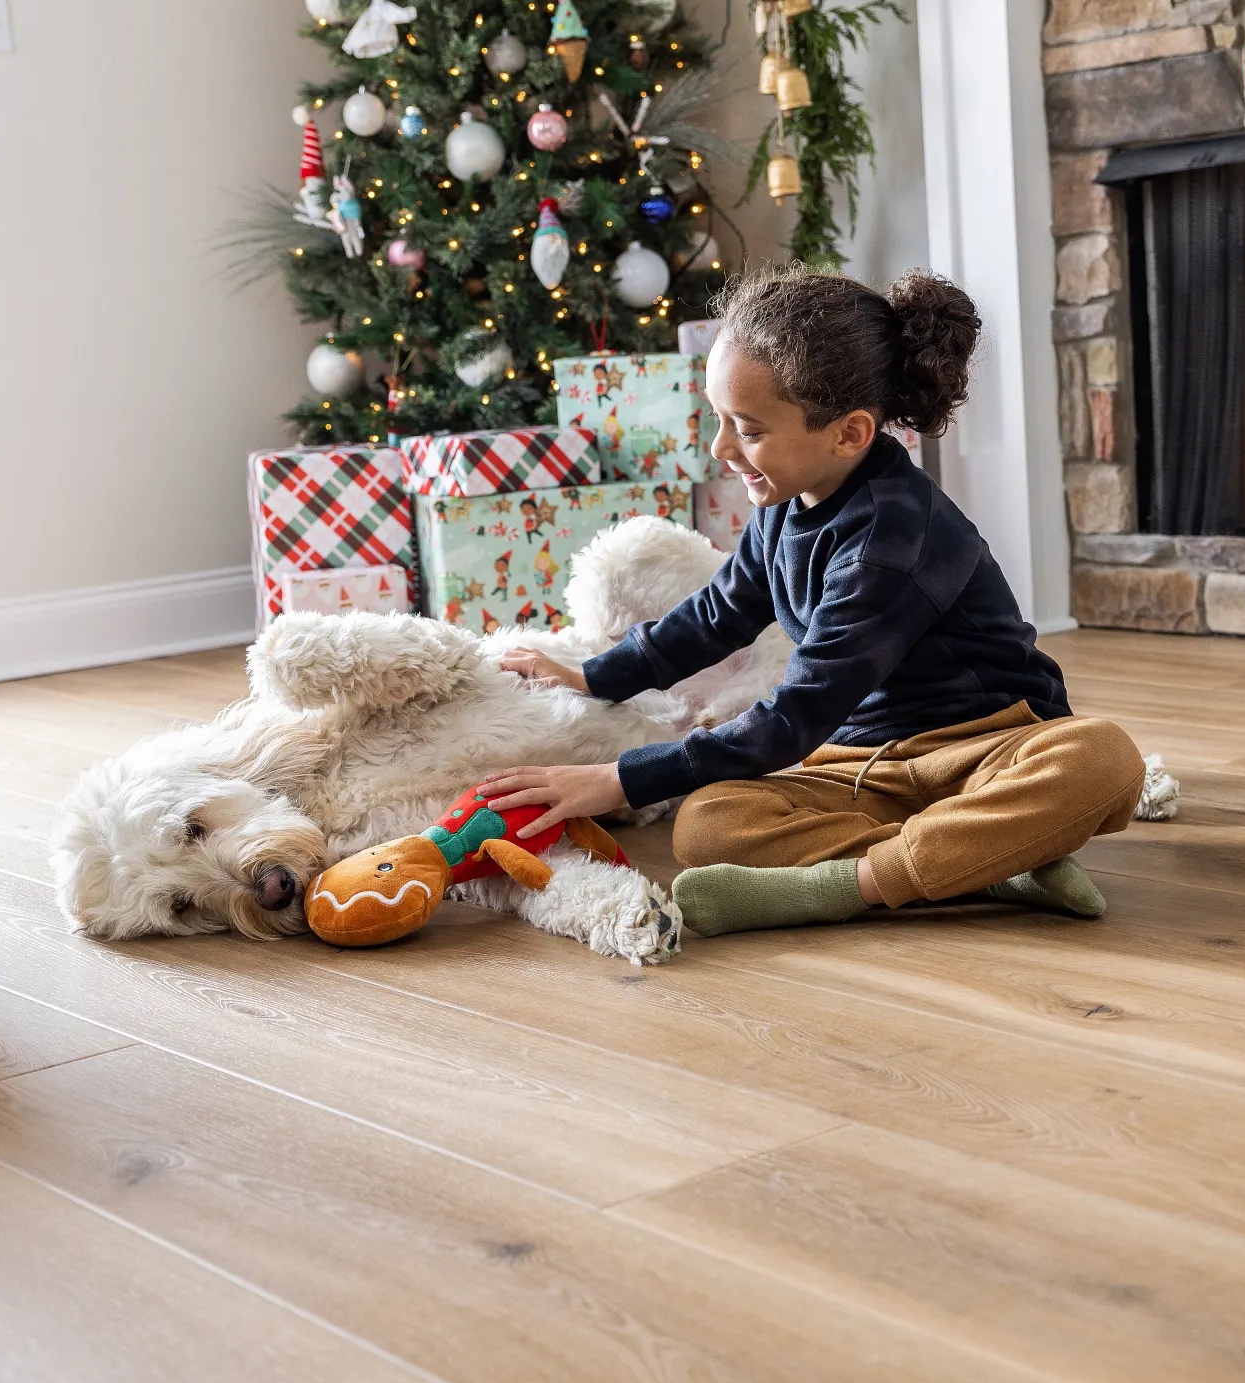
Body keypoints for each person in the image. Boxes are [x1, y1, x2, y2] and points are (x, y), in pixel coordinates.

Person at [479, 264, 1145, 937]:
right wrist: (594, 675)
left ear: (850, 433)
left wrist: (617, 779)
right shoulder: (783, 503)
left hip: (987, 750)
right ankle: (984, 862)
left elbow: (797, 713)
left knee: (1103, 759)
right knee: (707, 825)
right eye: (719, 420)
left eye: (749, 429)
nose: (722, 448)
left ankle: (850, 885)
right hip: (862, 768)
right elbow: (718, 615)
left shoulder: (892, 536)